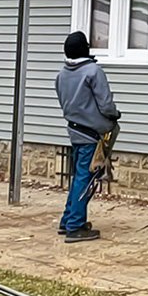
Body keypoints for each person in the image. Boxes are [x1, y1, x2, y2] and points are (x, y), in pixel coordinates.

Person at [54, 31, 120, 243]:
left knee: (78, 176)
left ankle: (68, 221)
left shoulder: (62, 74)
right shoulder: (93, 71)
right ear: (86, 49)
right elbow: (106, 104)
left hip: (74, 131)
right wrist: (114, 115)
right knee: (86, 177)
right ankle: (74, 227)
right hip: (92, 134)